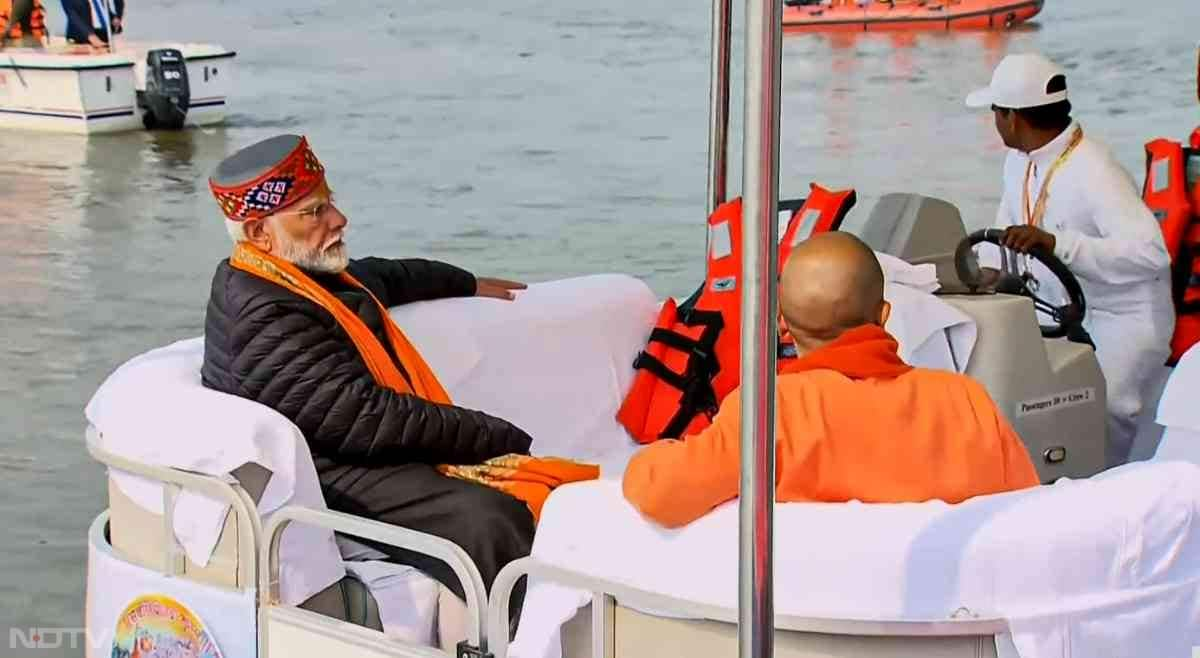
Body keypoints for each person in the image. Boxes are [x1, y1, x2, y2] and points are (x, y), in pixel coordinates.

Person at [200, 134, 538, 625]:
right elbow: (363, 417)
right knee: (491, 519)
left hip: (350, 451)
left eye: (330, 202)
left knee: (515, 502)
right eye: (314, 213)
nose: (338, 220)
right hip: (327, 474)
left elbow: (384, 277)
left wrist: (463, 281)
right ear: (259, 232)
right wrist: (497, 437)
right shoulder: (261, 312)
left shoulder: (294, 276)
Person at [622, 232, 1040, 528]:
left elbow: (660, 494)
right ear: (884, 316)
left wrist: (651, 457)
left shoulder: (769, 410)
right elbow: (1023, 517)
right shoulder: (966, 400)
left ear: (783, 326)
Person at [965, 52, 1174, 467]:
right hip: (1067, 312)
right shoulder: (1019, 161)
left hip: (1124, 319)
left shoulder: (1095, 169)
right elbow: (1006, 221)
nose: (994, 121)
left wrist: (1058, 243)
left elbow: (1152, 253)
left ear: (1012, 118)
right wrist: (984, 271)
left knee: (1105, 408)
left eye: (995, 112)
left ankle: (1109, 497)